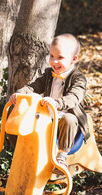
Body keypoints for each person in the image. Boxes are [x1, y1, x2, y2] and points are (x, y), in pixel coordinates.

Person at [9, 33, 90, 174]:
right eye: (51, 56)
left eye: (60, 58)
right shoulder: (48, 74)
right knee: (18, 117)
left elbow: (74, 97)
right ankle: (20, 153)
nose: (54, 62)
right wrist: (21, 93)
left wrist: (57, 103)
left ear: (74, 59)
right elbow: (34, 86)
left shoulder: (78, 78)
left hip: (67, 123)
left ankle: (62, 158)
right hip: (48, 119)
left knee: (69, 119)